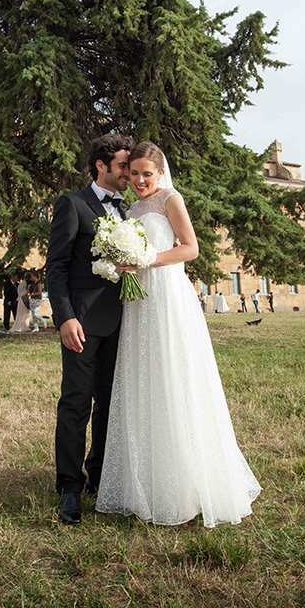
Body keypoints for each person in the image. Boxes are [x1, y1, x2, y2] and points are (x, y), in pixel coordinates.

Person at [96, 142, 260, 527]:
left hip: (168, 296)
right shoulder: (132, 209)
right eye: (133, 173)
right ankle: (149, 485)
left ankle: (188, 486)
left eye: (146, 174)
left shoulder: (171, 198)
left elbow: (191, 248)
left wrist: (147, 258)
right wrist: (121, 264)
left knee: (174, 378)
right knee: (145, 382)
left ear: (159, 173)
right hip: (138, 303)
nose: (138, 181)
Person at [46, 133, 133, 526]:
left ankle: (99, 475)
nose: (128, 174)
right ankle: (69, 486)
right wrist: (64, 317)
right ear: (101, 166)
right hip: (80, 323)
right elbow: (57, 266)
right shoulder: (73, 204)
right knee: (77, 403)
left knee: (110, 405)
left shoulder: (128, 211)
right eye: (122, 166)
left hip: (123, 324)